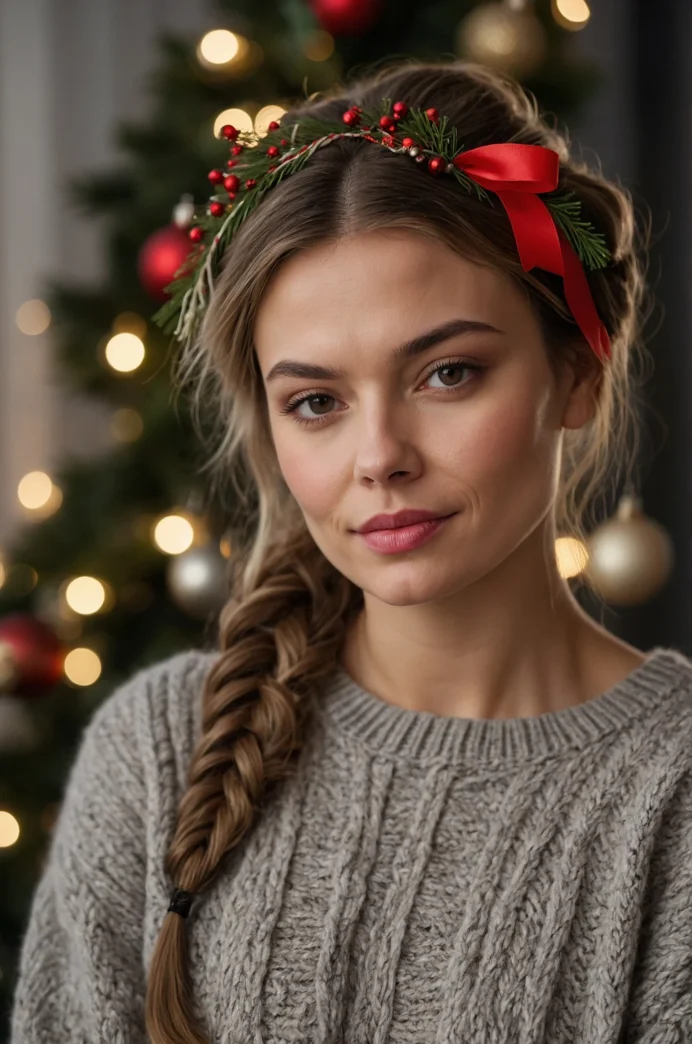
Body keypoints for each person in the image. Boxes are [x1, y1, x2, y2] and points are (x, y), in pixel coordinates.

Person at [10, 59, 692, 1044]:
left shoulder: (671, 796)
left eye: (447, 373)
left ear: (575, 371)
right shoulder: (157, 755)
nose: (378, 458)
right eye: (316, 403)